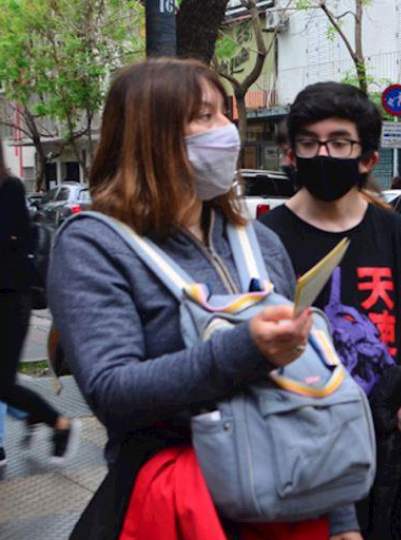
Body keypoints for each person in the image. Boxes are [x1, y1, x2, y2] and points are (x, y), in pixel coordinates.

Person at [47, 59, 358, 540]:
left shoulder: (258, 242)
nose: (227, 130)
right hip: (177, 507)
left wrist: (341, 522)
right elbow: (113, 391)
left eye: (224, 114)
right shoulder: (93, 245)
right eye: (204, 116)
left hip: (294, 498)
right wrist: (246, 350)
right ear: (152, 135)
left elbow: (305, 388)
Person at [259, 82, 401, 538]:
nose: (323, 153)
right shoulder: (264, 240)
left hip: (390, 462)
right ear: (292, 154)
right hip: (300, 462)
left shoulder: (398, 234)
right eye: (309, 142)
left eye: (339, 142)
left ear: (367, 158)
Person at [0, 142, 79, 467]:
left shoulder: (11, 187)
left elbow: (9, 238)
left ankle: (58, 423)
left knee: (2, 382)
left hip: (10, 298)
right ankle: (32, 414)